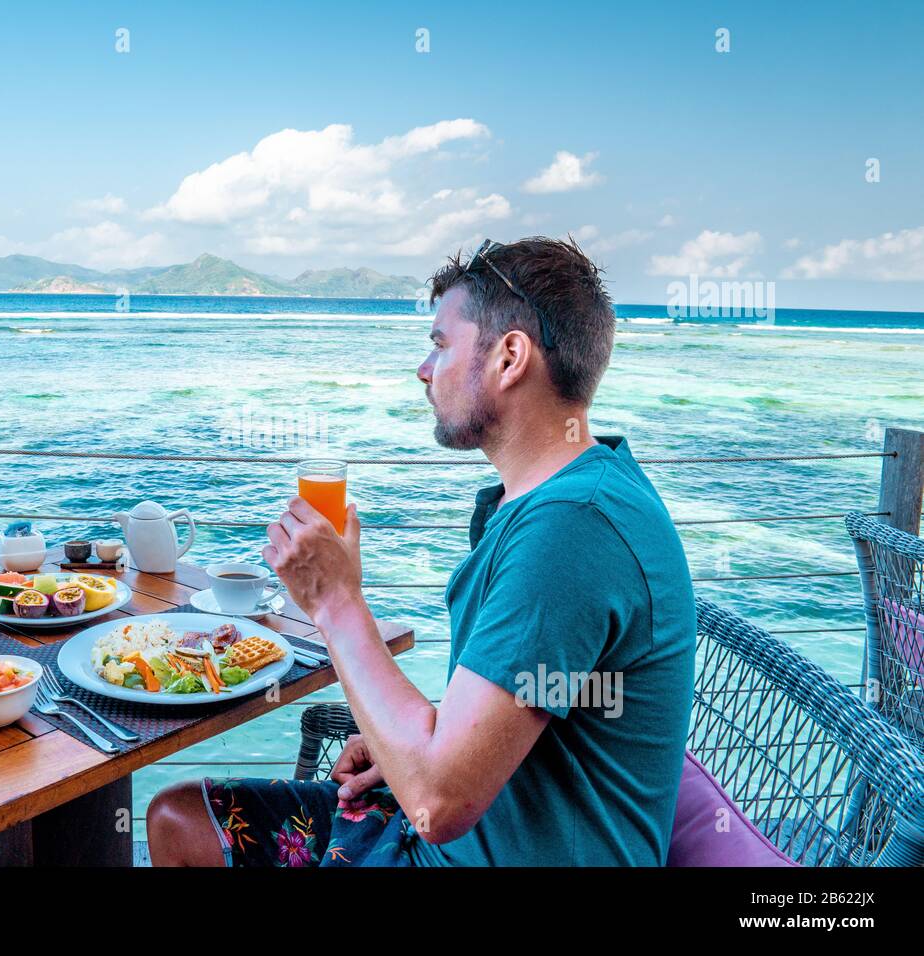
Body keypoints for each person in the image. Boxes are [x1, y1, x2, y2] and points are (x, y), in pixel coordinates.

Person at [147, 237, 696, 866]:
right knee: (178, 819)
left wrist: (333, 600)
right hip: (458, 829)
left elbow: (439, 799)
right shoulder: (563, 500)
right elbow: (539, 701)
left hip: (463, 847)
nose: (424, 368)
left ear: (510, 357)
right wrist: (405, 739)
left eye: (440, 344)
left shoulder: (571, 530)